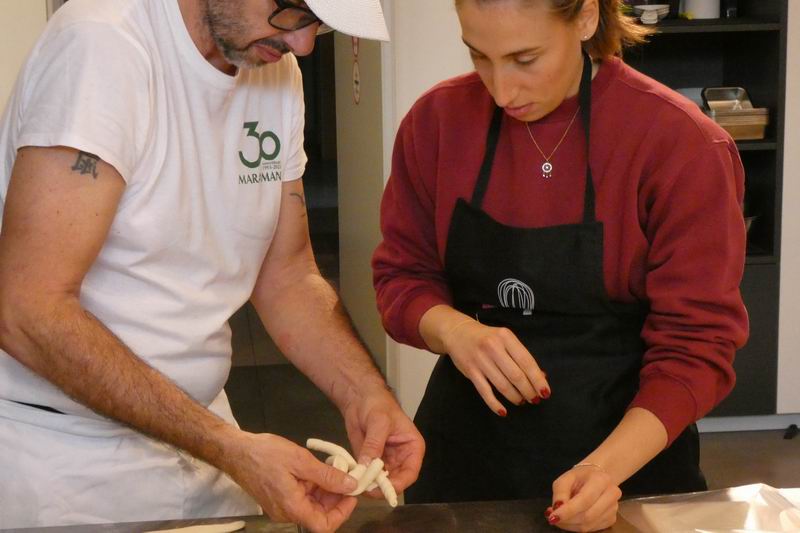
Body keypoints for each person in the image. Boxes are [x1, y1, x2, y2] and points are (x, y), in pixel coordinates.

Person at [0, 1, 423, 531]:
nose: (304, 44)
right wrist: (229, 447)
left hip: (200, 440)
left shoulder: (274, 69)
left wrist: (366, 395)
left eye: (321, 25)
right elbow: (27, 309)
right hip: (69, 463)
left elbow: (287, 274)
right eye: (293, 9)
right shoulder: (102, 46)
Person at [373, 0, 748, 530]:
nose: (501, 91)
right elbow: (400, 277)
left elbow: (698, 346)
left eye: (525, 59)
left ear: (587, 18)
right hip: (465, 464)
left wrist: (603, 471)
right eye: (479, 55)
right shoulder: (436, 123)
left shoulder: (679, 143)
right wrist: (453, 329)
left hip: (628, 461)